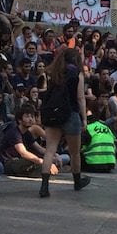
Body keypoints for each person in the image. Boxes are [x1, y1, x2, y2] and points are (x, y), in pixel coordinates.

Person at [39, 46, 90, 197]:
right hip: (70, 113)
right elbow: (80, 98)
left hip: (52, 113)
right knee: (75, 153)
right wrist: (84, 118)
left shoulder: (53, 73)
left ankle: (44, 186)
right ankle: (77, 181)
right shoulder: (77, 73)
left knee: (50, 150)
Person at [0, 103, 50, 178]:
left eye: (32, 116)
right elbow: (23, 153)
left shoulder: (27, 133)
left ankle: (38, 170)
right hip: (8, 162)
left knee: (53, 159)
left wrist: (53, 155)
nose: (30, 119)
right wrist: (41, 161)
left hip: (20, 160)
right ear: (20, 120)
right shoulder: (14, 132)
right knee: (33, 160)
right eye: (27, 116)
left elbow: (39, 149)